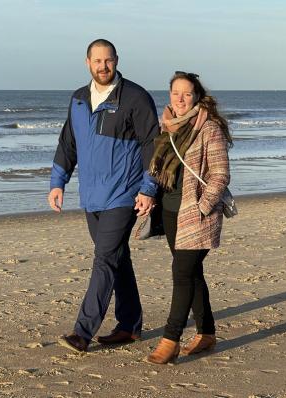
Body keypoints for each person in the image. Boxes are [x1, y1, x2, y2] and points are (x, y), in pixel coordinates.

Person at [48, 39, 159, 352]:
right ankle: (130, 325)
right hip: (91, 196)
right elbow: (68, 143)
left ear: (117, 60)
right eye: (97, 61)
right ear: (87, 63)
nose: (103, 66)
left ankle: (82, 332)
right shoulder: (79, 99)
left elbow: (154, 146)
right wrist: (58, 182)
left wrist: (148, 188)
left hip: (124, 195)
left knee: (104, 259)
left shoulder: (135, 97)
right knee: (117, 259)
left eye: (108, 60)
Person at [146, 72, 232, 364]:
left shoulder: (210, 128)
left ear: (197, 96)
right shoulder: (168, 125)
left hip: (196, 214)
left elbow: (220, 175)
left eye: (186, 94)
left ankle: (170, 339)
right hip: (170, 211)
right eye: (175, 93)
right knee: (191, 273)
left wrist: (202, 207)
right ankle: (206, 332)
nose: (180, 100)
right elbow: (158, 168)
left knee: (182, 274)